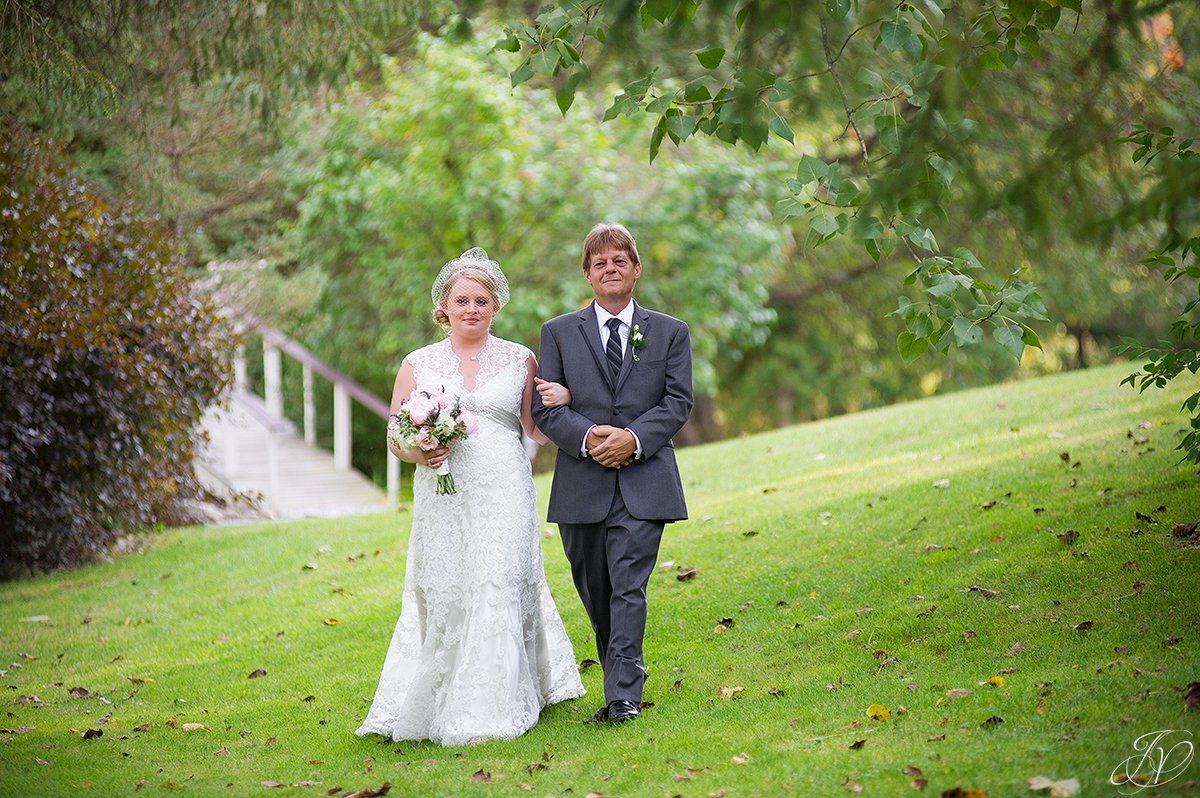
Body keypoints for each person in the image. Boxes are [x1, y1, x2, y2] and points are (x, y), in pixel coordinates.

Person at [356, 247, 584, 746]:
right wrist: (421, 451)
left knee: (497, 578)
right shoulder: (417, 364)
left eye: (482, 300)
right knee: (448, 585)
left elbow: (537, 429)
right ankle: (440, 696)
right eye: (462, 300)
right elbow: (395, 436)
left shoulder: (521, 358)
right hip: (444, 490)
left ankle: (494, 703)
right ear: (444, 306)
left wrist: (566, 398)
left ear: (496, 305)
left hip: (505, 486)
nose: (472, 309)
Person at [532, 223, 693, 725]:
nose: (610, 268)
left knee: (627, 586)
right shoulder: (558, 333)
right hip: (582, 483)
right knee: (596, 589)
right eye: (599, 263)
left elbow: (677, 401)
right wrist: (590, 438)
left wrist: (633, 439)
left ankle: (623, 694)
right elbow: (546, 409)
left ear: (636, 268)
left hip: (645, 481)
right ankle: (616, 672)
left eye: (619, 260)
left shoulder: (671, 331)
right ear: (587, 275)